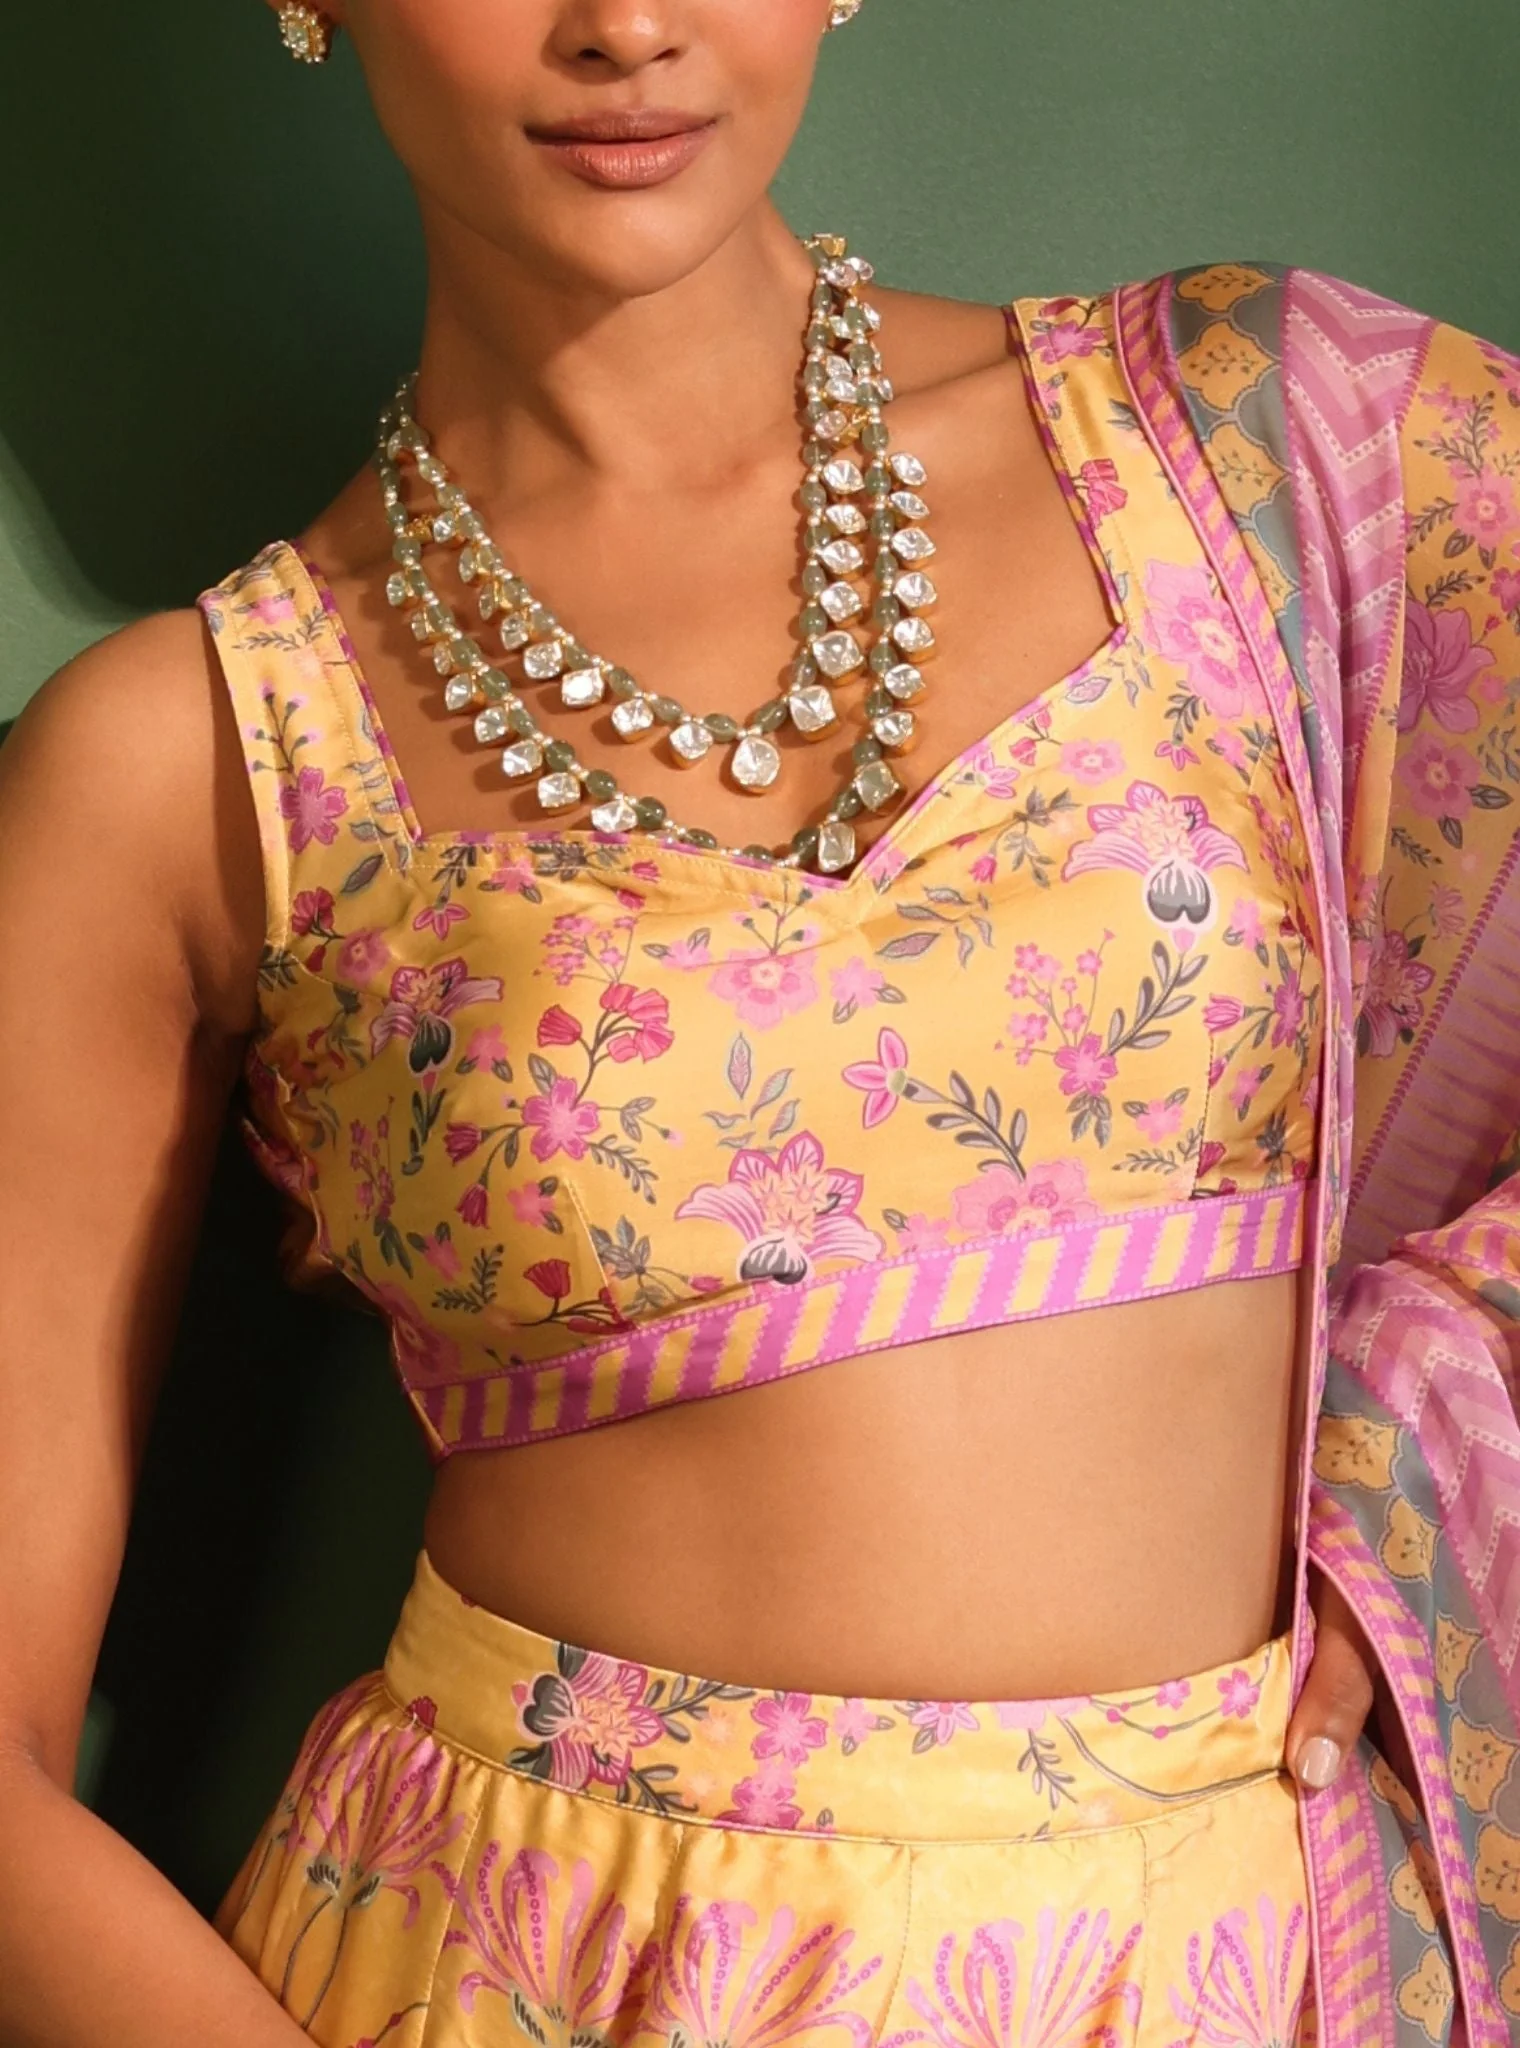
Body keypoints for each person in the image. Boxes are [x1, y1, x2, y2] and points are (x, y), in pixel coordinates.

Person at [1, 2, 1517, 2043]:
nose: (626, 27)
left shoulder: (1268, 446)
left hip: (1232, 1957)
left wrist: (1417, 1460)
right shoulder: (187, 756)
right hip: (540, 1971)